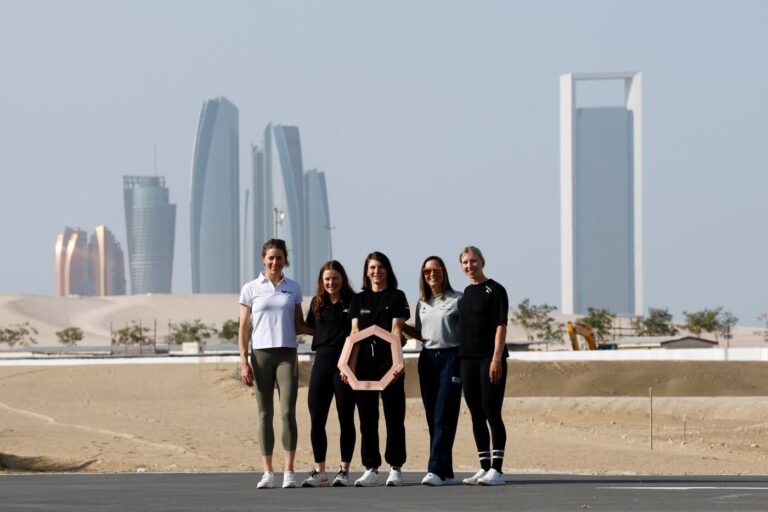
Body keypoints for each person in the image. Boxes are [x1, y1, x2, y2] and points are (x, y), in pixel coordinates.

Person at [238, 239, 309, 489]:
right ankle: (268, 472)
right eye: (270, 258)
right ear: (263, 259)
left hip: (287, 354)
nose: (275, 262)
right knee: (264, 414)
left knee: (288, 412)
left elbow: (299, 324)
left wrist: (328, 332)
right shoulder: (250, 288)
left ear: (285, 259)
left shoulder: (294, 287)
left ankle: (289, 470)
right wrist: (244, 361)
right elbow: (244, 328)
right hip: (260, 356)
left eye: (279, 257)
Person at [345, 251, 410, 487]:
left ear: (387, 270)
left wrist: (397, 365)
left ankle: (396, 467)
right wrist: (347, 368)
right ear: (366, 271)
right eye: (372, 267)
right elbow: (354, 334)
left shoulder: (397, 296)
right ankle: (371, 467)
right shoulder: (357, 300)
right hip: (363, 369)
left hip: (390, 366)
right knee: (367, 419)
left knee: (394, 418)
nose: (376, 271)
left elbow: (396, 331)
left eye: (381, 267)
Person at [300, 260, 357, 488]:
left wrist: (349, 365)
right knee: (316, 418)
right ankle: (320, 472)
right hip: (321, 364)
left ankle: (344, 471)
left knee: (346, 418)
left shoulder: (353, 302)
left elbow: (356, 335)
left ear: (342, 279)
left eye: (335, 278)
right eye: (327, 279)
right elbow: (310, 328)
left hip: (344, 367)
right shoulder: (317, 303)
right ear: (321, 282)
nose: (331, 282)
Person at [457, 246, 509, 486]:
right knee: (476, 413)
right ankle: (484, 466)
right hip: (467, 359)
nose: (470, 266)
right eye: (465, 263)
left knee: (491, 411)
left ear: (482, 262)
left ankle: (497, 470)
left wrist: (496, 359)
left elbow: (500, 325)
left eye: (473, 261)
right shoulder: (465, 293)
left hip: (489, 359)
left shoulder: (496, 290)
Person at [411, 256, 463, 486]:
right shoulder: (422, 302)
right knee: (433, 416)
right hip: (427, 359)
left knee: (444, 414)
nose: (431, 274)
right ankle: (446, 471)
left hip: (451, 358)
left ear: (443, 271)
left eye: (435, 270)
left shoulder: (458, 299)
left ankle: (434, 470)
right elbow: (422, 333)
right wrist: (400, 326)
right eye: (426, 271)